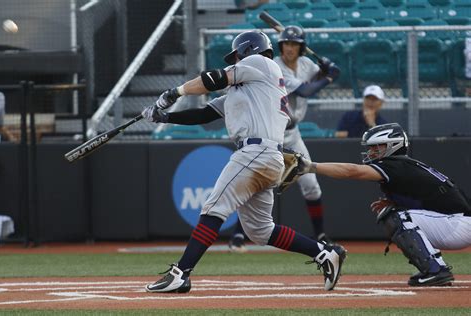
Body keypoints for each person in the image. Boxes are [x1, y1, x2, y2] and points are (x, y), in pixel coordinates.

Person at [141, 30, 347, 293]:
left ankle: (181, 273)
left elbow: (213, 78)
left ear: (249, 50)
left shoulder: (261, 63)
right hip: (268, 156)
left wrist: (175, 92)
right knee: (261, 231)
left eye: (238, 55)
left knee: (213, 208)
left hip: (255, 152)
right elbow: (204, 114)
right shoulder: (250, 91)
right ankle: (323, 253)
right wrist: (164, 117)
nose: (236, 60)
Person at [297, 123, 471, 286]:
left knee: (397, 217)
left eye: (376, 147)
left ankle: (436, 270)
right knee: (394, 212)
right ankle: (433, 268)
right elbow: (434, 197)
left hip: (459, 224)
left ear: (392, 145)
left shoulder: (395, 165)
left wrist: (311, 167)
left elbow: (352, 171)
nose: (371, 152)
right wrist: (397, 200)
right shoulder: (403, 164)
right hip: (457, 221)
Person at [229, 25, 341, 252]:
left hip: (293, 132)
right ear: (280, 46)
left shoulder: (307, 64)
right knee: (255, 183)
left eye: (295, 44)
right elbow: (305, 91)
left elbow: (312, 79)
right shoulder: (275, 66)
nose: (290, 48)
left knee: (311, 186)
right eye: (287, 44)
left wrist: (324, 68)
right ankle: (238, 233)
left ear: (301, 47)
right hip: (271, 132)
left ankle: (320, 234)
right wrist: (329, 77)